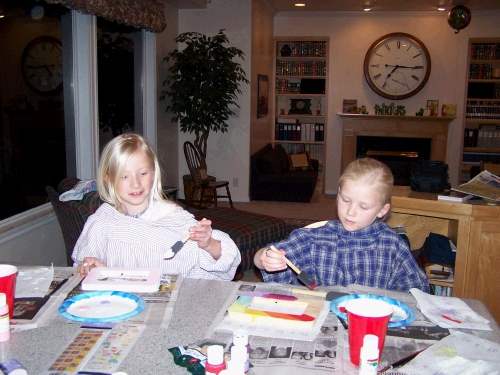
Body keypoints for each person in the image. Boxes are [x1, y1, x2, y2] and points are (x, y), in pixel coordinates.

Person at [72, 133, 241, 280]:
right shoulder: (103, 221)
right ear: (108, 179)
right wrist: (92, 268)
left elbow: (226, 258)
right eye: (124, 176)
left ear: (153, 174)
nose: (136, 183)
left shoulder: (174, 217)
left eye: (143, 174)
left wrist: (208, 244)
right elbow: (84, 265)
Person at [254, 158, 429, 293]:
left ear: (382, 210)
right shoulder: (313, 238)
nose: (351, 212)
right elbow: (265, 256)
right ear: (338, 194)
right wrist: (264, 257)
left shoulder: (392, 245)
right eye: (346, 200)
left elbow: (418, 289)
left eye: (364, 206)